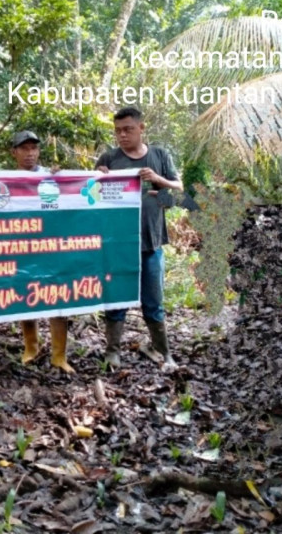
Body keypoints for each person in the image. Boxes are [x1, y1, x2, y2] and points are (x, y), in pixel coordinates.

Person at [95, 106, 183, 369]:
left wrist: (158, 180)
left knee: (153, 301)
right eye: (118, 131)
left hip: (151, 242)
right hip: (118, 244)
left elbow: (178, 192)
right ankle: (112, 351)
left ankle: (163, 351)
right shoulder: (109, 159)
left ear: (141, 128)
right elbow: (93, 198)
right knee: (116, 298)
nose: (122, 135)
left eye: (128, 129)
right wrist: (97, 180)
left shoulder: (159, 156)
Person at [10, 130, 74, 373]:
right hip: (22, 246)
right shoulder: (6, 179)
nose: (30, 154)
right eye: (24, 149)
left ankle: (59, 355)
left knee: (58, 298)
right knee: (28, 296)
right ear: (14, 152)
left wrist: (63, 178)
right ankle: (31, 348)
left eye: (34, 148)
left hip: (51, 245)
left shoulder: (50, 177)